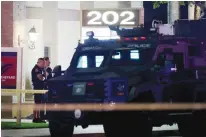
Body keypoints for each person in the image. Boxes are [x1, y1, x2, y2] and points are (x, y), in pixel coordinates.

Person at [31, 58, 46, 123]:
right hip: (37, 88)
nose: (44, 64)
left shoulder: (41, 69)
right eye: (43, 63)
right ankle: (35, 118)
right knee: (37, 103)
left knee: (39, 103)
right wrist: (44, 76)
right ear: (39, 62)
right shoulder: (36, 69)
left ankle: (38, 117)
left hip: (40, 88)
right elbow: (40, 77)